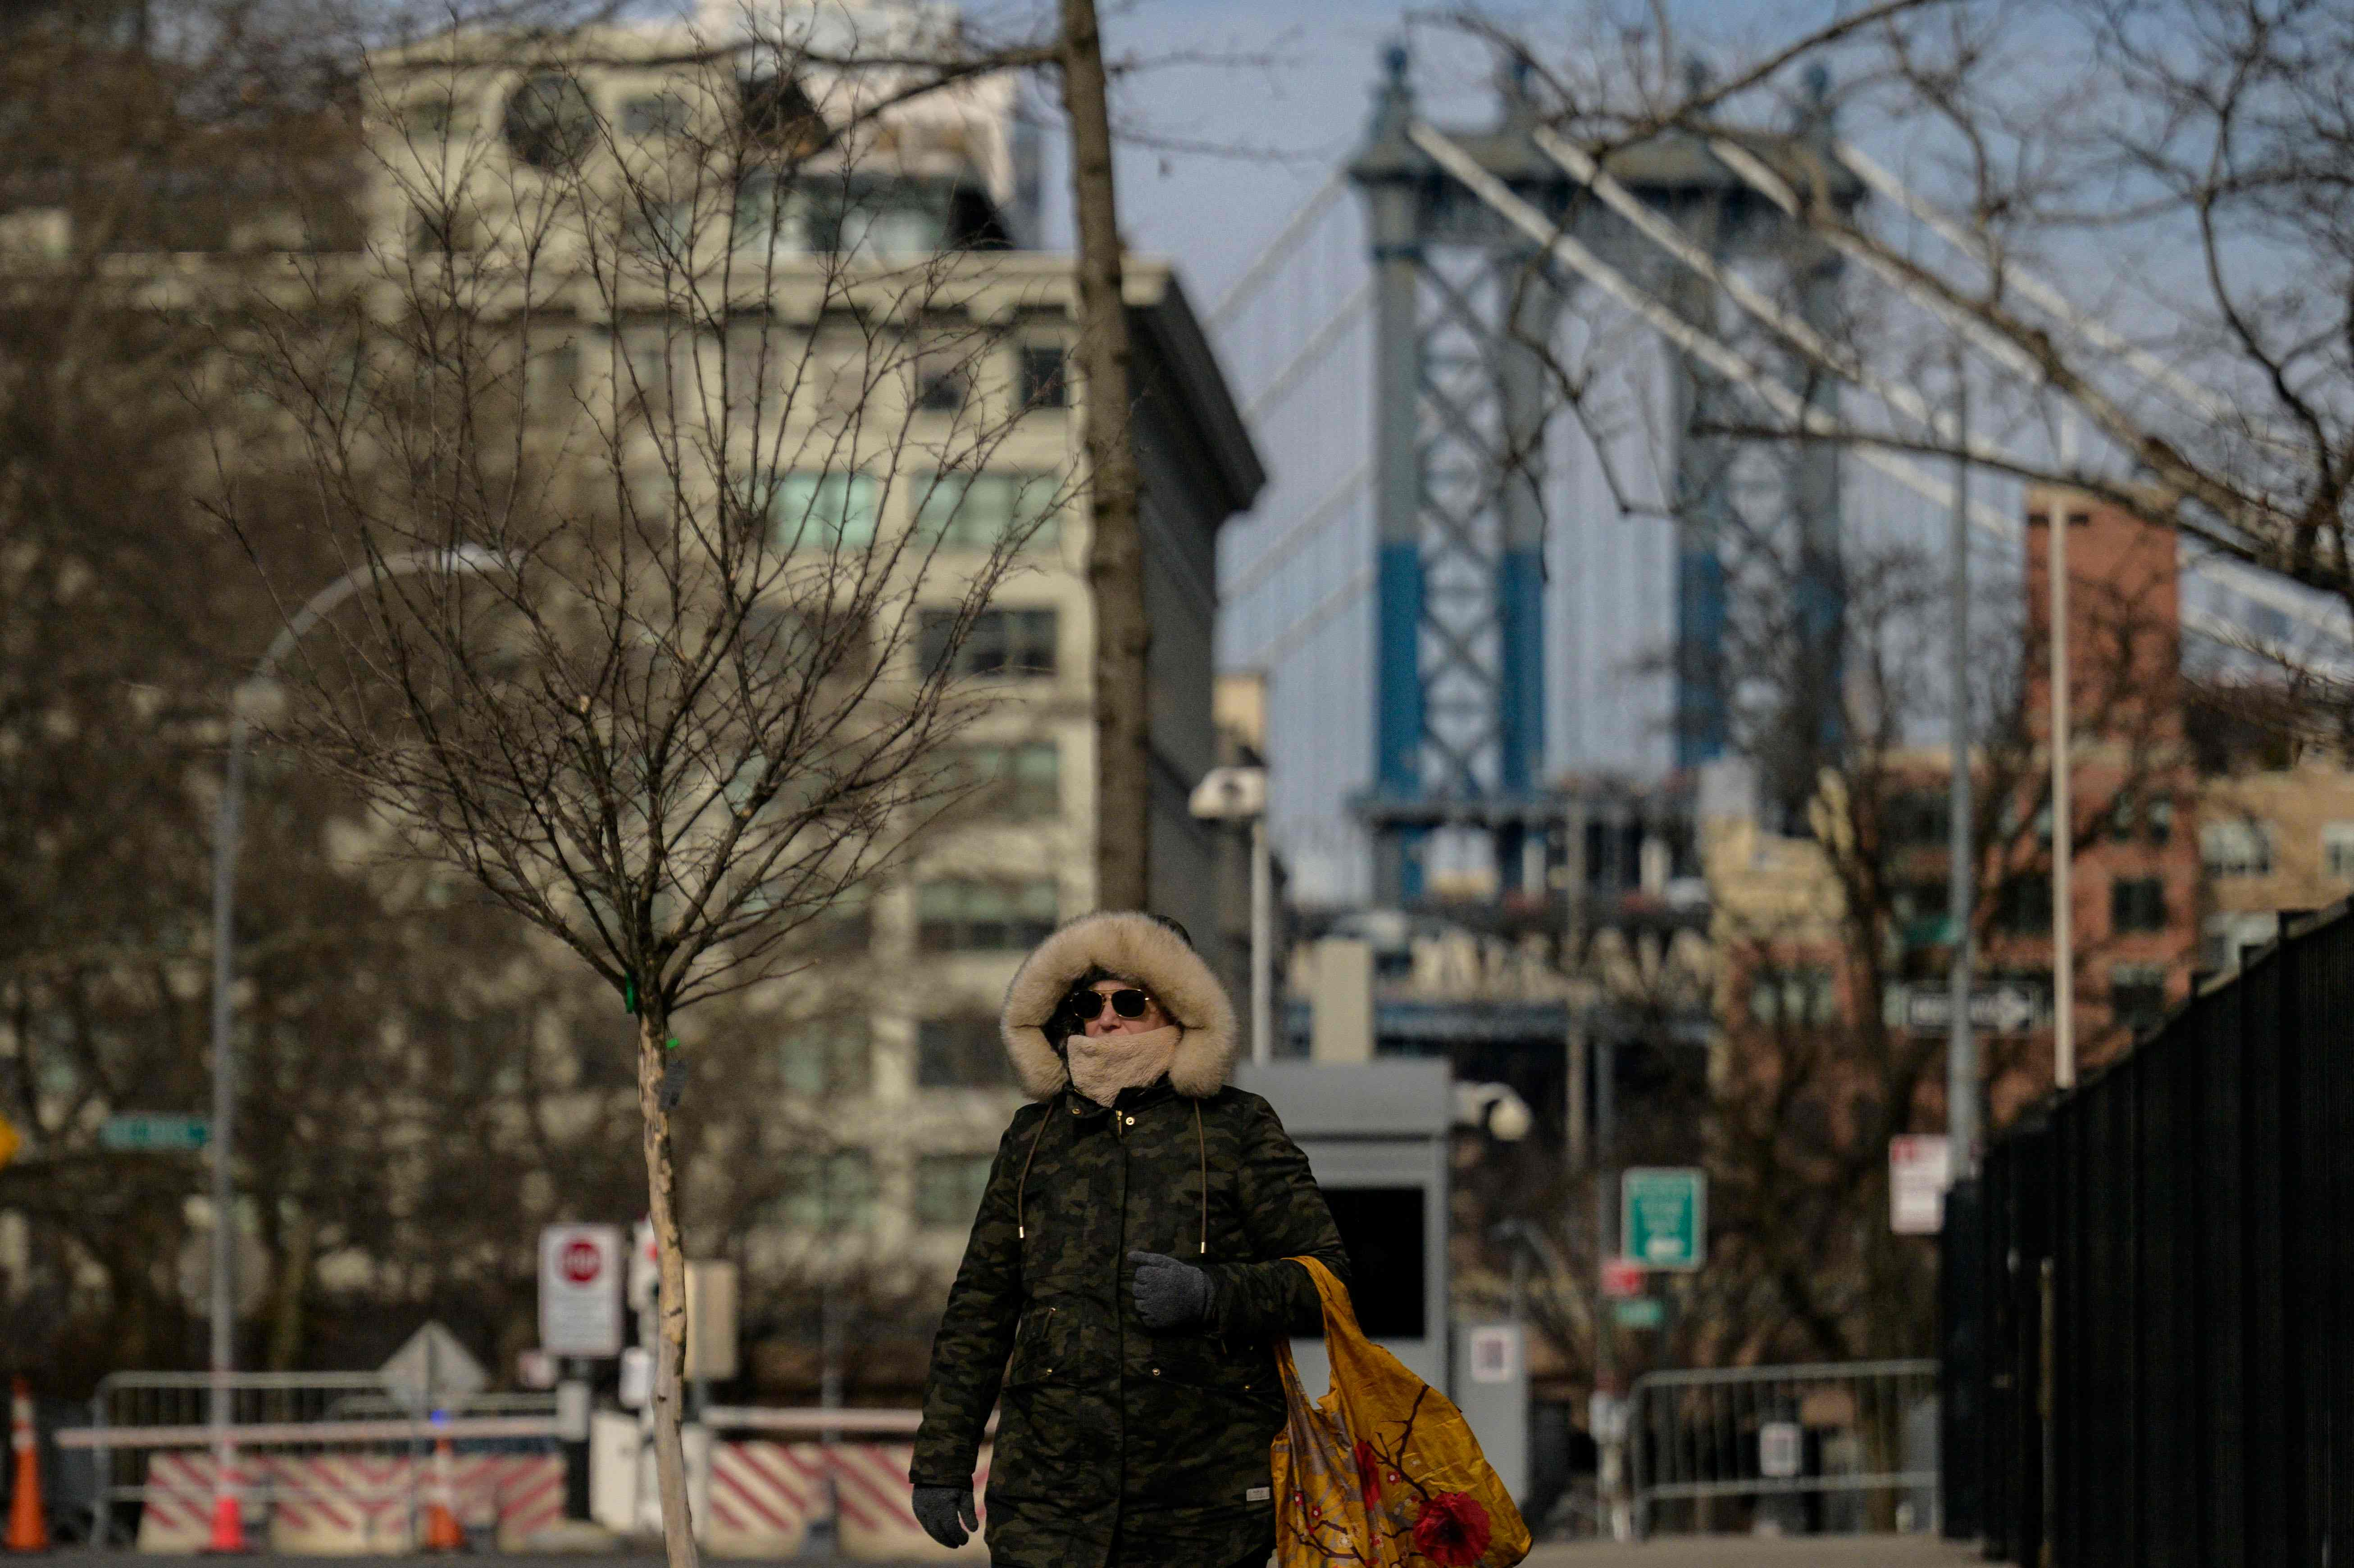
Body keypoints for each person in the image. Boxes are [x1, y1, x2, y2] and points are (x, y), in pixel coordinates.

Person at [909, 909, 1348, 1568]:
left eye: (1130, 1001)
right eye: (1088, 1003)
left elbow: (1327, 1278)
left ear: (1176, 1006)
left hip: (1201, 1506)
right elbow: (980, 1306)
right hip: (1048, 1505)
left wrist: (1210, 1293)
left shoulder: (1235, 1127)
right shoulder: (1035, 1138)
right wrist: (942, 1460)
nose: (1106, 1019)